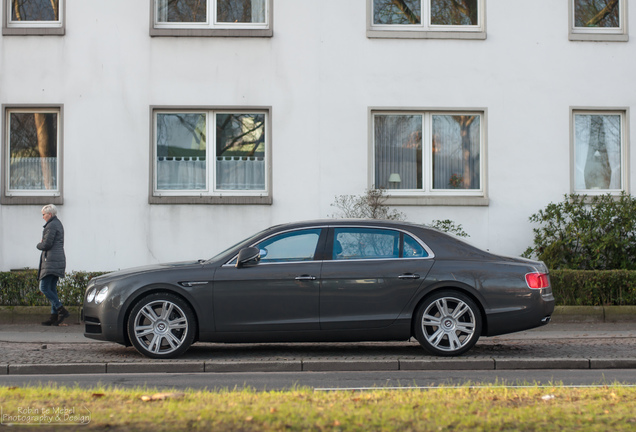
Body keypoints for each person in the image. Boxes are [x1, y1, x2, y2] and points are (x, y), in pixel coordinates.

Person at [37, 204, 69, 326]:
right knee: (52, 289)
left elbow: (46, 245)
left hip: (51, 261)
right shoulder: (57, 224)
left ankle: (61, 309)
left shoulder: (51, 226)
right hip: (56, 260)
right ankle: (54, 316)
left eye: (43, 214)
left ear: (49, 214)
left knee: (44, 287)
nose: (42, 217)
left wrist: (39, 244)